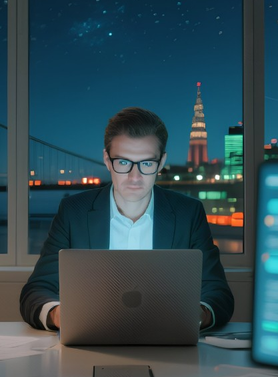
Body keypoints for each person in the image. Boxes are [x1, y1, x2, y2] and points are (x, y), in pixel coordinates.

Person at [20, 107, 234, 331]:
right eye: (123, 162)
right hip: (88, 345)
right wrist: (60, 316)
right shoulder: (74, 212)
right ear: (106, 159)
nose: (135, 177)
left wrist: (194, 316)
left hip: (170, 348)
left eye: (147, 163)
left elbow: (218, 293)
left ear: (161, 163)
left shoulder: (188, 213)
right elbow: (36, 291)